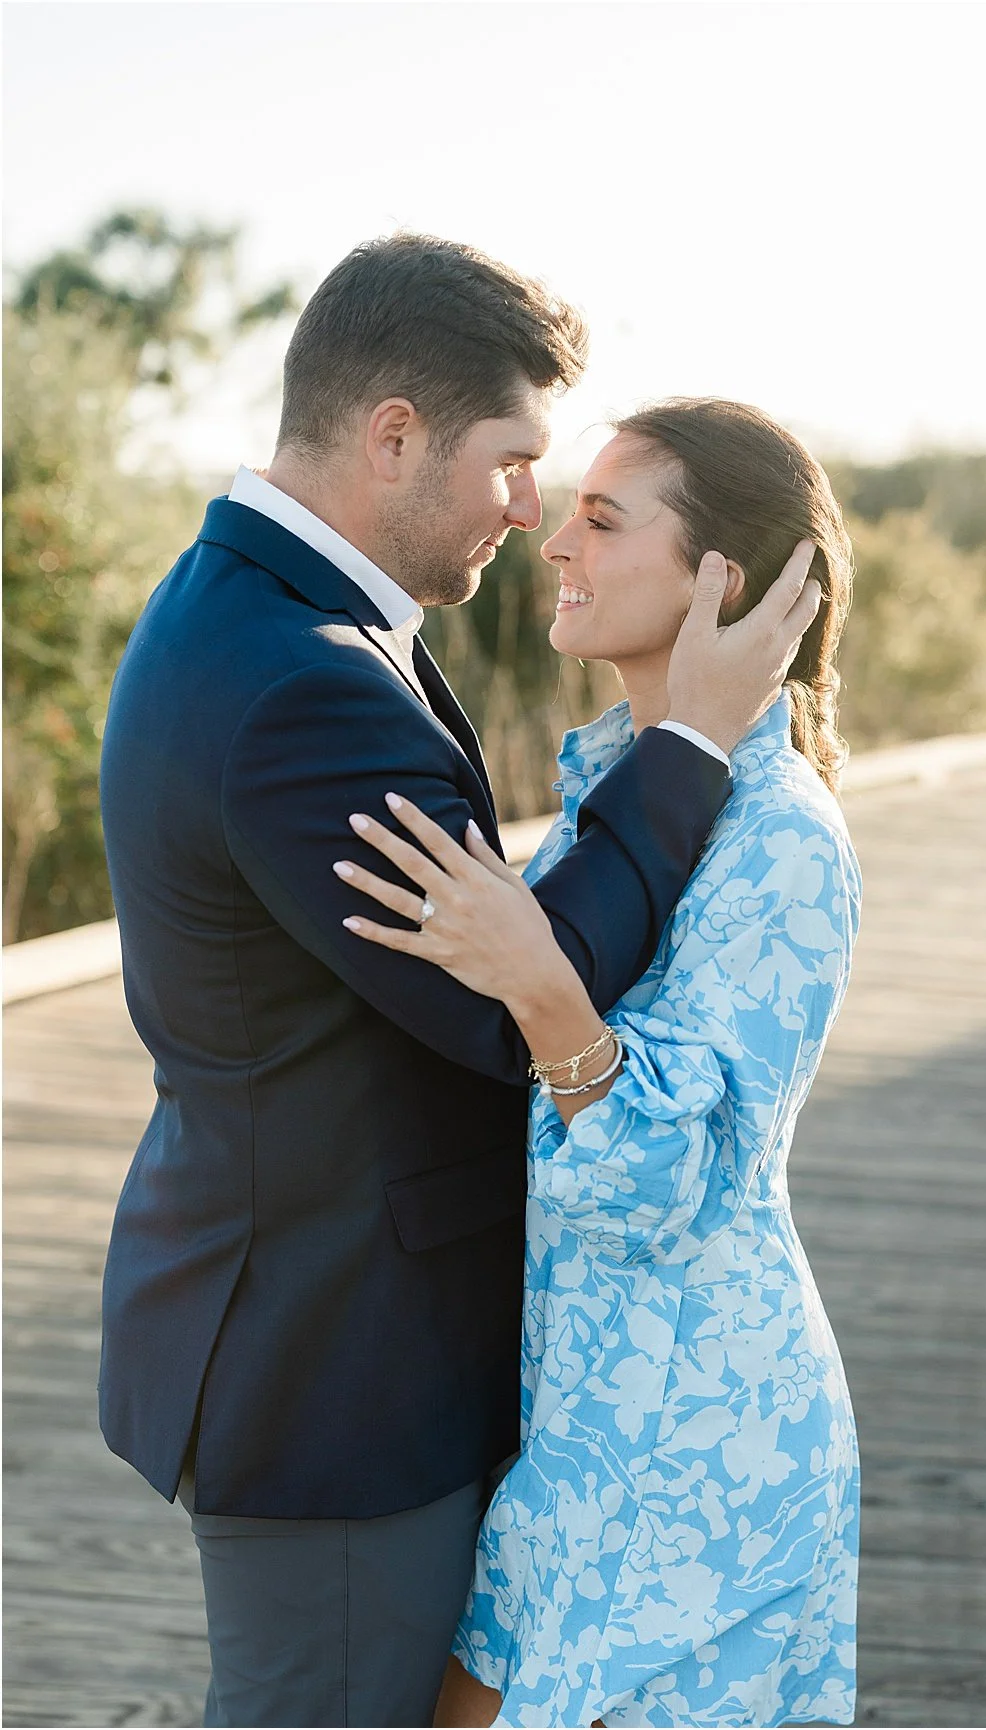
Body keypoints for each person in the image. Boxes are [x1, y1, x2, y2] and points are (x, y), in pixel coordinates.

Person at [96, 237, 819, 1726]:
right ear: (395, 434)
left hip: (333, 1320)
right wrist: (689, 740)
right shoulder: (304, 681)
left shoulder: (268, 612)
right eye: (514, 459)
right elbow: (505, 1000)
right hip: (337, 1361)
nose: (530, 509)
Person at [338, 401, 862, 1726]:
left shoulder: (785, 842)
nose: (552, 537)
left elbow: (673, 1175)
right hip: (580, 1419)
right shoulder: (613, 785)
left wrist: (539, 983)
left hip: (704, 1442)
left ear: (720, 583)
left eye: (604, 518)